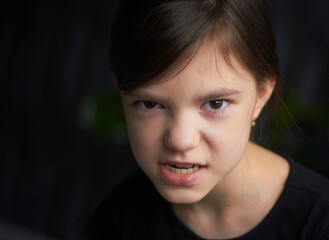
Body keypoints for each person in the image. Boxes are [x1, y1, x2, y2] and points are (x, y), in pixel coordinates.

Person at [86, 0, 329, 239]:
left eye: (215, 103)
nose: (180, 140)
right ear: (122, 93)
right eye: (150, 104)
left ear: (261, 95)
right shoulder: (117, 221)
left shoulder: (319, 223)